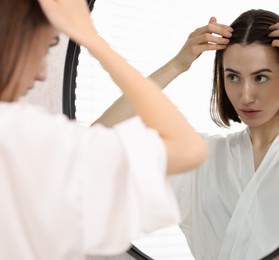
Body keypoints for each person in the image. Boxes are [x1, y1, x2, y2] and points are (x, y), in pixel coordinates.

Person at [96, 9, 279, 260]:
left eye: (261, 77)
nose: (245, 95)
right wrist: (176, 65)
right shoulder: (202, 159)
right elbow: (97, 142)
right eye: (233, 77)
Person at [0, 0, 209, 259]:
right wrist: (90, 37)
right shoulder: (21, 135)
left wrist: (177, 65)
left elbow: (97, 135)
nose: (43, 73)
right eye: (49, 45)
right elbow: (187, 148)